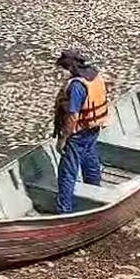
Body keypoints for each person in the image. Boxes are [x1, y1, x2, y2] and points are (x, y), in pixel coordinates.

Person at [53, 49, 110, 213]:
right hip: (93, 128)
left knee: (67, 172)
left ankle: (64, 210)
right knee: (90, 158)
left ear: (70, 67)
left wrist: (63, 139)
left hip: (78, 133)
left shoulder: (77, 86)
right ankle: (95, 190)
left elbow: (73, 116)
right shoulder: (94, 76)